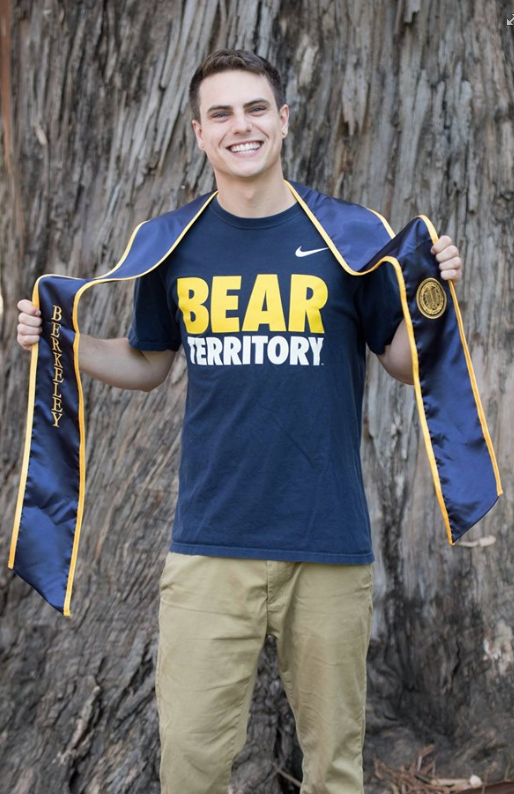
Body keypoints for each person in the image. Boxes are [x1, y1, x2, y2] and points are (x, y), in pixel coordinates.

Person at [17, 50, 462, 794]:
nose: (241, 126)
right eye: (221, 113)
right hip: (209, 547)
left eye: (255, 108)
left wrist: (439, 300)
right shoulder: (171, 243)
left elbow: (402, 362)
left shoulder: (349, 236)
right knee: (190, 763)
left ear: (284, 120)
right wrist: (64, 344)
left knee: (335, 770)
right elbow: (148, 362)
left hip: (327, 544)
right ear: (198, 133)